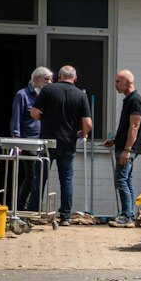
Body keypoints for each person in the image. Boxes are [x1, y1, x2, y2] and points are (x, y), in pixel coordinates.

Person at [31, 65, 92, 223]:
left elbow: (34, 113)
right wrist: (83, 133)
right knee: (66, 180)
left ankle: (34, 212)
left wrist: (45, 119)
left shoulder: (48, 90)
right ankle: (65, 216)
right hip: (68, 143)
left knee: (40, 177)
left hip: (47, 142)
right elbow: (88, 123)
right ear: (75, 78)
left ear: (59, 76)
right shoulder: (80, 95)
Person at [101, 70, 141, 227]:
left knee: (121, 180)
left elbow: (134, 127)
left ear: (128, 83)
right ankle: (129, 215)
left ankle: (127, 215)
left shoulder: (135, 101)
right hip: (124, 147)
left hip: (128, 150)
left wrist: (127, 150)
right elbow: (127, 127)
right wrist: (115, 141)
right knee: (126, 180)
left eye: (118, 81)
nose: (115, 85)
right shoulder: (129, 100)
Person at [10, 67, 51, 211]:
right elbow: (16, 118)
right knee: (32, 175)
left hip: (42, 142)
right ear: (36, 79)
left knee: (39, 176)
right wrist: (16, 141)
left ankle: (29, 207)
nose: (49, 82)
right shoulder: (22, 95)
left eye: (51, 79)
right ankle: (22, 207)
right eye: (46, 79)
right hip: (28, 142)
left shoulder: (46, 96)